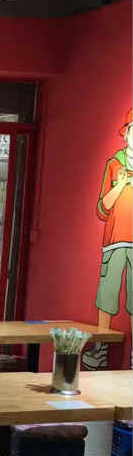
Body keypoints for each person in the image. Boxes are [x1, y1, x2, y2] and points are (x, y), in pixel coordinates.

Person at [94, 108, 132, 330]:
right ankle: (102, 344)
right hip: (114, 242)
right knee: (107, 295)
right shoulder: (114, 165)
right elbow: (102, 209)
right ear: (126, 134)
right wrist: (120, 186)